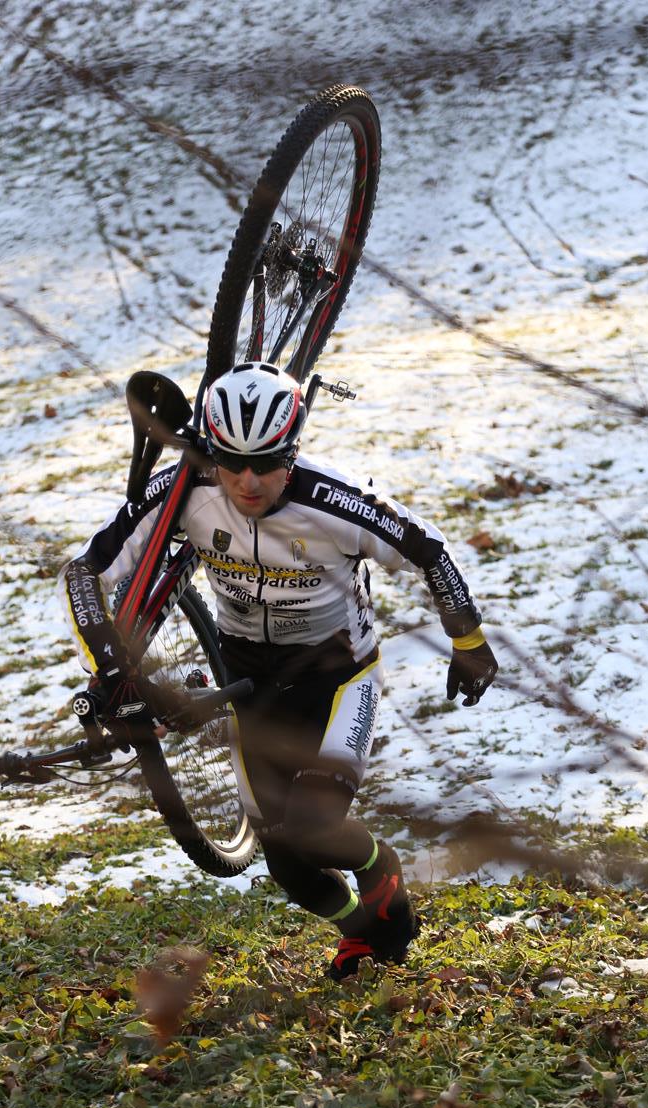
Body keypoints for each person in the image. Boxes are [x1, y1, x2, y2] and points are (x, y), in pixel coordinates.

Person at [59, 361, 497, 979]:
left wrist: (469, 641)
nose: (247, 480)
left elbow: (428, 551)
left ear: (293, 451)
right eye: (230, 462)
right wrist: (107, 669)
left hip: (338, 678)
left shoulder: (332, 500)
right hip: (251, 683)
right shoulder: (182, 490)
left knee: (315, 826)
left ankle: (379, 862)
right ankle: (360, 934)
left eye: (266, 462)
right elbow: (84, 574)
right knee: (288, 866)